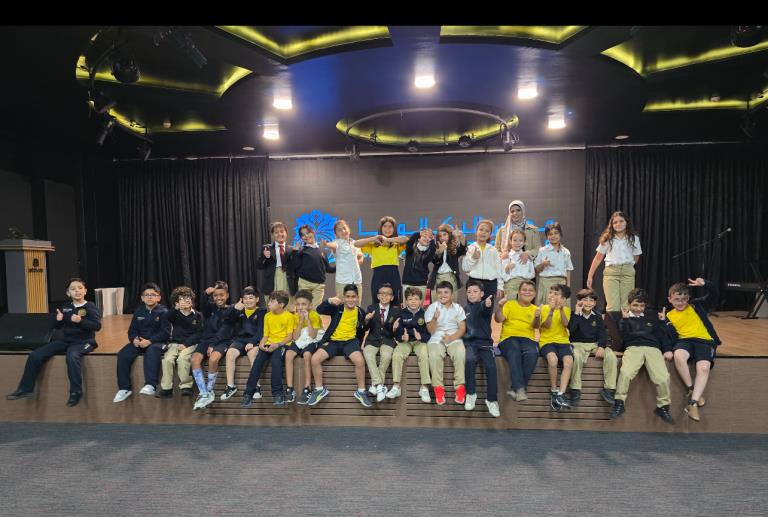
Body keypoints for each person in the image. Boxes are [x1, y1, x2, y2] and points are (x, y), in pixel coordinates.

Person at [7, 278, 101, 407]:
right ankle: (25, 389)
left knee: (72, 356)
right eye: (73, 289)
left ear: (85, 291)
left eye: (80, 288)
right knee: (35, 355)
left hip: (84, 341)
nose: (77, 291)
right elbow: (57, 326)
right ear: (68, 293)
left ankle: (76, 392)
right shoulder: (66, 307)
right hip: (66, 340)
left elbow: (97, 326)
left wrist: (81, 321)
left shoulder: (90, 306)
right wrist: (58, 320)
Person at [610, 288, 674, 424]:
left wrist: (667, 347)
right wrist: (625, 320)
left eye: (642, 305)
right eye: (635, 305)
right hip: (634, 348)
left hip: (653, 349)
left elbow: (662, 337)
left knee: (663, 377)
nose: (639, 309)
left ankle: (663, 407)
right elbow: (623, 339)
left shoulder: (652, 318)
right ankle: (619, 403)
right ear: (629, 304)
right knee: (625, 373)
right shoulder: (623, 318)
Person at [664, 277, 721, 422]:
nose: (680, 302)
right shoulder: (668, 316)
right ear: (670, 299)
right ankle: (691, 389)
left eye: (684, 299)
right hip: (684, 341)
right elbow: (668, 337)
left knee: (704, 367)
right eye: (677, 299)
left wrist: (706, 284)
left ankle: (693, 403)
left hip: (704, 341)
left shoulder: (697, 305)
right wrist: (668, 349)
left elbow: (715, 294)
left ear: (688, 298)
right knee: (678, 355)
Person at [307, 285, 373, 407]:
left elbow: (363, 328)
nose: (350, 299)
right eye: (348, 297)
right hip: (333, 341)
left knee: (359, 361)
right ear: (343, 297)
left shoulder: (360, 312)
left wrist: (367, 321)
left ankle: (361, 391)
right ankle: (319, 389)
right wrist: (329, 301)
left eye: (353, 297)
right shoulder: (337, 308)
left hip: (350, 342)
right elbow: (319, 310)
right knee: (315, 359)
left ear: (357, 298)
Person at [113, 282, 169, 403]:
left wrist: (150, 341)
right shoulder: (139, 312)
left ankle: (151, 385)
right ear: (142, 298)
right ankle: (124, 388)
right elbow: (132, 331)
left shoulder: (164, 312)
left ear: (159, 298)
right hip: (141, 342)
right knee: (123, 354)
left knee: (152, 351)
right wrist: (134, 339)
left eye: (153, 294)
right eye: (146, 295)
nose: (149, 297)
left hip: (158, 342)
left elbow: (166, 333)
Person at [241, 291, 295, 407]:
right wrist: (261, 344)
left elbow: (290, 337)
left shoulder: (289, 317)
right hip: (268, 344)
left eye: (272, 301)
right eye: (269, 301)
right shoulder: (267, 316)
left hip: (282, 344)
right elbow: (265, 335)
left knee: (276, 362)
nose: (268, 304)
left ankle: (278, 394)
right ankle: (248, 394)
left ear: (281, 304)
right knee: (257, 364)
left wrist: (278, 344)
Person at [567, 289, 617, 406]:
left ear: (594, 303)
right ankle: (575, 389)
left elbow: (602, 334)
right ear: (579, 301)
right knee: (576, 356)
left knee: (610, 355)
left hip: (593, 344)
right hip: (577, 344)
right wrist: (577, 313)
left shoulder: (598, 317)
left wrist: (601, 347)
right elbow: (571, 329)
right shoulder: (573, 314)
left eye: (591, 300)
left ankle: (609, 389)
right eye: (585, 300)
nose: (588, 303)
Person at [586, 211, 642, 312]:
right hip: (611, 272)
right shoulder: (608, 238)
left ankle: (624, 323)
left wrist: (628, 266)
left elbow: (636, 257)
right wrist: (590, 276)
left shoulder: (634, 238)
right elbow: (598, 258)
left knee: (626, 305)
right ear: (611, 225)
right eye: (615, 222)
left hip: (627, 272)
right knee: (613, 306)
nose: (618, 224)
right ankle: (612, 323)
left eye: (621, 221)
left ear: (626, 222)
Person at [495, 281, 540, 402]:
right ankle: (520, 389)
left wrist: (537, 317)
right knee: (514, 350)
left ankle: (514, 388)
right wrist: (500, 307)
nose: (527, 292)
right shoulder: (509, 305)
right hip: (508, 338)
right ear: (519, 292)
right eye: (524, 290)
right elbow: (498, 319)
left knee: (533, 352)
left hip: (528, 339)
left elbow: (536, 326)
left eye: (530, 290)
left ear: (534, 294)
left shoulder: (535, 309)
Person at [425, 281, 467, 405]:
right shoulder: (432, 307)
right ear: (436, 294)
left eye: (446, 292)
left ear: (452, 294)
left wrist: (451, 338)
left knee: (460, 353)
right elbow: (430, 330)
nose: (442, 295)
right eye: (439, 293)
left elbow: (462, 328)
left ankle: (460, 388)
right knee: (434, 355)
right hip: (436, 338)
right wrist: (435, 318)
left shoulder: (458, 308)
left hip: (454, 337)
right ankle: (438, 389)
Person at [462, 280, 500, 417]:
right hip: (470, 344)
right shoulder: (464, 309)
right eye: (469, 292)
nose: (472, 294)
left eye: (475, 291)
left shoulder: (485, 305)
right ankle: (471, 394)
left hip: (485, 344)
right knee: (469, 360)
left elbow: (484, 307)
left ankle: (492, 400)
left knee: (491, 366)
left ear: (482, 294)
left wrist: (486, 303)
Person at [388, 287, 432, 402]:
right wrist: (402, 337)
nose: (413, 302)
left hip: (419, 342)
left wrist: (421, 337)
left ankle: (424, 388)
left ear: (420, 301)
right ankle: (396, 386)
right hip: (405, 342)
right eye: (410, 299)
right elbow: (398, 333)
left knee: (424, 354)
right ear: (406, 301)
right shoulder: (401, 313)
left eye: (416, 299)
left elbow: (429, 334)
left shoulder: (425, 314)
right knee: (397, 354)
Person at [362, 283, 401, 402]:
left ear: (392, 297)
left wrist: (395, 329)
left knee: (386, 355)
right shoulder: (371, 308)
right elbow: (365, 328)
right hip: (372, 339)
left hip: (388, 340)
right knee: (368, 354)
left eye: (388, 294)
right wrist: (366, 320)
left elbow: (396, 333)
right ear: (378, 296)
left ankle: (375, 386)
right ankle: (380, 385)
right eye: (382, 293)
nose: (384, 296)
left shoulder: (396, 311)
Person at [284, 290, 324, 404]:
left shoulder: (314, 315)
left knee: (307, 354)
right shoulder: (295, 317)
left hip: (312, 340)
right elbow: (295, 337)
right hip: (300, 339)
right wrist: (301, 321)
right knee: (289, 354)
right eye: (298, 304)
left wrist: (307, 320)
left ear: (310, 305)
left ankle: (307, 388)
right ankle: (290, 388)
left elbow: (313, 335)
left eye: (304, 304)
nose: (301, 307)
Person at [538, 284, 573, 411]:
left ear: (563, 299)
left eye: (556, 294)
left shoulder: (567, 310)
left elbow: (565, 324)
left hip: (563, 341)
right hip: (546, 341)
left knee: (569, 361)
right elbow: (546, 326)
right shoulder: (543, 308)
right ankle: (553, 390)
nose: (552, 296)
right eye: (550, 292)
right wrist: (552, 311)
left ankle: (561, 394)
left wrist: (561, 309)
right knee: (553, 360)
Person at [534, 222, 574, 306]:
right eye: (550, 234)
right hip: (546, 282)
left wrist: (568, 285)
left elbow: (568, 269)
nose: (553, 236)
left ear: (560, 234)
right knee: (546, 308)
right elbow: (536, 269)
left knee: (561, 308)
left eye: (556, 233)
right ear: (547, 236)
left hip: (561, 282)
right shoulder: (542, 250)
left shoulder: (566, 251)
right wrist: (543, 264)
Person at [427, 224, 466, 303]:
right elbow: (434, 261)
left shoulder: (454, 247)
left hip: (450, 277)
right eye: (440, 236)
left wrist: (461, 236)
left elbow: (462, 250)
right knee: (436, 304)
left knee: (451, 304)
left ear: (450, 234)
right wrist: (439, 252)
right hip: (437, 278)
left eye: (444, 234)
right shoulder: (435, 247)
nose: (442, 237)